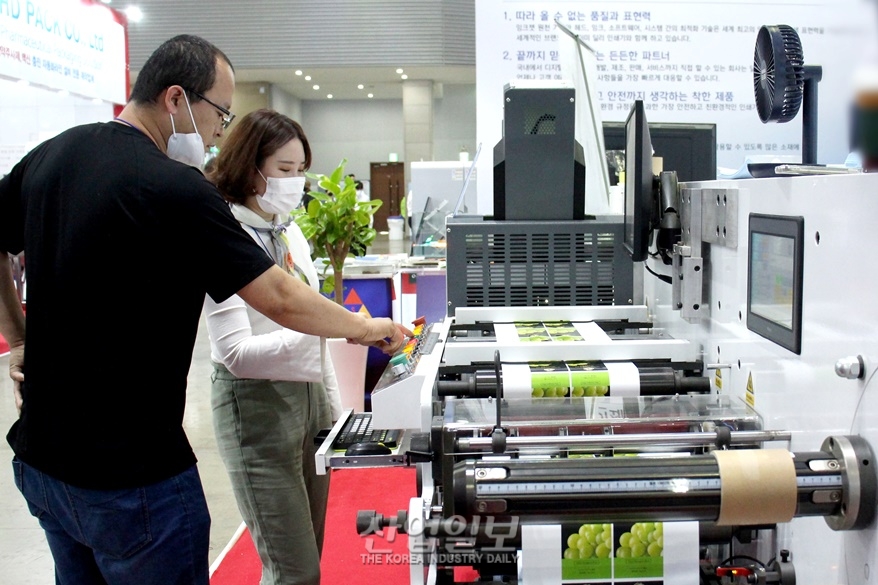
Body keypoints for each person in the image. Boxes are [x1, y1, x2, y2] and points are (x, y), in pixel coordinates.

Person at [0, 35, 408, 585]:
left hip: (44, 459)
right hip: (132, 475)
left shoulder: (55, 154)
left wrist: (19, 335)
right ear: (175, 100)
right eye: (219, 112)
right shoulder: (174, 188)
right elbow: (279, 298)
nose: (220, 130)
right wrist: (366, 327)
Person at [204, 109, 338, 585]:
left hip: (309, 401)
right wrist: (327, 330)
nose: (295, 182)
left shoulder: (287, 230)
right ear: (250, 167)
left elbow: (311, 313)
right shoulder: (223, 233)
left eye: (301, 171)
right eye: (284, 171)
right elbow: (235, 353)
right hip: (256, 408)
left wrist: (333, 412)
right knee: (293, 570)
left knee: (311, 555)